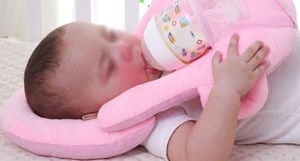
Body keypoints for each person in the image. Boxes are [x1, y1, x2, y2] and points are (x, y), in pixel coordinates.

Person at [24, 21, 271, 160]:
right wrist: (226, 90)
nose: (124, 48)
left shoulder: (164, 42)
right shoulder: (155, 117)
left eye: (110, 35)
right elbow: (198, 155)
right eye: (109, 67)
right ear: (96, 112)